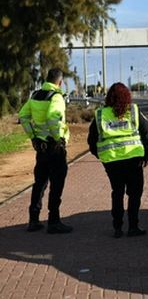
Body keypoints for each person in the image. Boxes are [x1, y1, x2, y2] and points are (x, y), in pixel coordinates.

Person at [87, 82, 148, 238]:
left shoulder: (101, 114)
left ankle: (117, 228)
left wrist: (102, 156)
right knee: (135, 194)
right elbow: (147, 133)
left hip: (112, 162)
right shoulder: (133, 111)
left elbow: (91, 141)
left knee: (117, 192)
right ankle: (133, 227)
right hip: (134, 159)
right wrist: (146, 155)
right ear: (127, 96)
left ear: (109, 97)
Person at [18, 68, 73, 233]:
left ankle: (33, 220)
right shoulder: (56, 97)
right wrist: (58, 138)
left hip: (41, 148)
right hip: (55, 148)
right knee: (57, 184)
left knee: (40, 183)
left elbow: (23, 116)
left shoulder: (35, 96)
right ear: (60, 82)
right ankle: (54, 221)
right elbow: (51, 117)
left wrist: (33, 137)